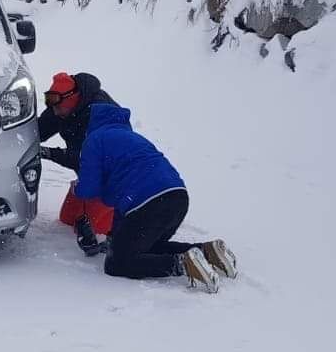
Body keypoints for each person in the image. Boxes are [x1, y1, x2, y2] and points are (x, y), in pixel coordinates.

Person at [76, 101, 237, 293]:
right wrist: (115, 236)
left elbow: (88, 189)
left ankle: (183, 264)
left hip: (148, 202)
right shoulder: (133, 138)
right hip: (177, 196)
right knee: (150, 247)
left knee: (117, 263)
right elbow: (119, 201)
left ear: (92, 122)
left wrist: (77, 188)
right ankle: (207, 252)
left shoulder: (95, 140)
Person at [39, 72, 119, 253]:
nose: (55, 112)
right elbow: (38, 131)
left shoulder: (100, 113)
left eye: (58, 107)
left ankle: (122, 216)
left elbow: (88, 158)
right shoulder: (60, 106)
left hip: (109, 178)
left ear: (72, 98)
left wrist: (50, 153)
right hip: (87, 175)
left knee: (92, 230)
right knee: (67, 219)